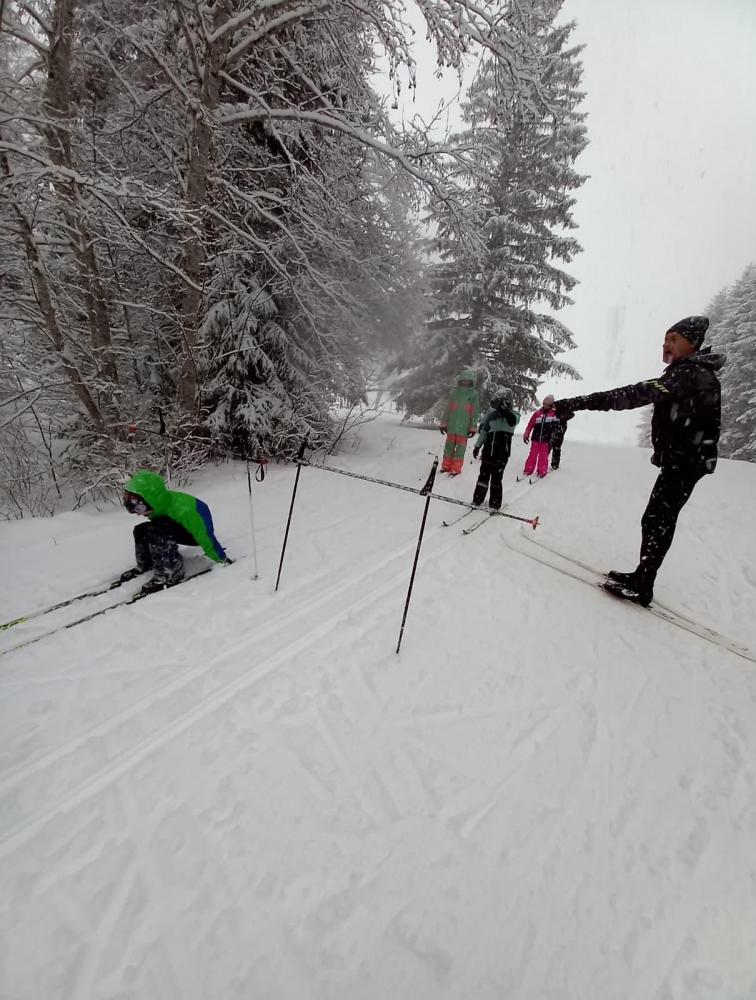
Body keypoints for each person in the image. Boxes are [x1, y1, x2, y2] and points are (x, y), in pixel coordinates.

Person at [554, 315, 724, 606]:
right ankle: (642, 576)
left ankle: (643, 586)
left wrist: (577, 402)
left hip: (686, 459)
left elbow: (634, 394)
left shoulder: (689, 374)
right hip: (685, 459)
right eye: (665, 339)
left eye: (673, 339)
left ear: (693, 343)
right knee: (657, 519)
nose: (666, 345)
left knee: (658, 519)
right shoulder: (688, 373)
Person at [120, 470, 229, 596]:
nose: (139, 514)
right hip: (175, 526)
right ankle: (146, 563)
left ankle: (171, 571)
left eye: (140, 509)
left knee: (158, 530)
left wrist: (221, 558)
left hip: (193, 534)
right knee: (141, 530)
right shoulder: (158, 503)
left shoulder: (185, 510)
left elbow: (205, 536)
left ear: (150, 500)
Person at [471, 386, 521, 509]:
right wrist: (477, 446)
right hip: (488, 450)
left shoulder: (514, 414)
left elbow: (512, 422)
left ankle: (495, 503)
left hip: (502, 452)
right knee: (483, 476)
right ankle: (477, 499)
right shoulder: (491, 415)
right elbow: (484, 431)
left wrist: (505, 410)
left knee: (496, 479)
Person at [440, 370, 480, 475]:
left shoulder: (474, 394)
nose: (465, 382)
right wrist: (444, 423)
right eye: (464, 380)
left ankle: (456, 468)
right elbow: (448, 409)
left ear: (471, 382)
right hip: (452, 426)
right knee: (448, 447)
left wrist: (473, 427)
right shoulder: (455, 393)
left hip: (464, 428)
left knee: (460, 449)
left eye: (468, 381)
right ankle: (446, 466)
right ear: (460, 381)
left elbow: (475, 412)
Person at [522, 394, 561, 478]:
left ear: (551, 405)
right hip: (535, 438)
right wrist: (526, 434)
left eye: (547, 404)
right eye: (544, 404)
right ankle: (528, 469)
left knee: (543, 456)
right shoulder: (537, 413)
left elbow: (556, 428)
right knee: (532, 454)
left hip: (546, 440)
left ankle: (541, 471)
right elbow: (530, 425)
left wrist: (554, 437)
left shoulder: (554, 415)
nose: (545, 406)